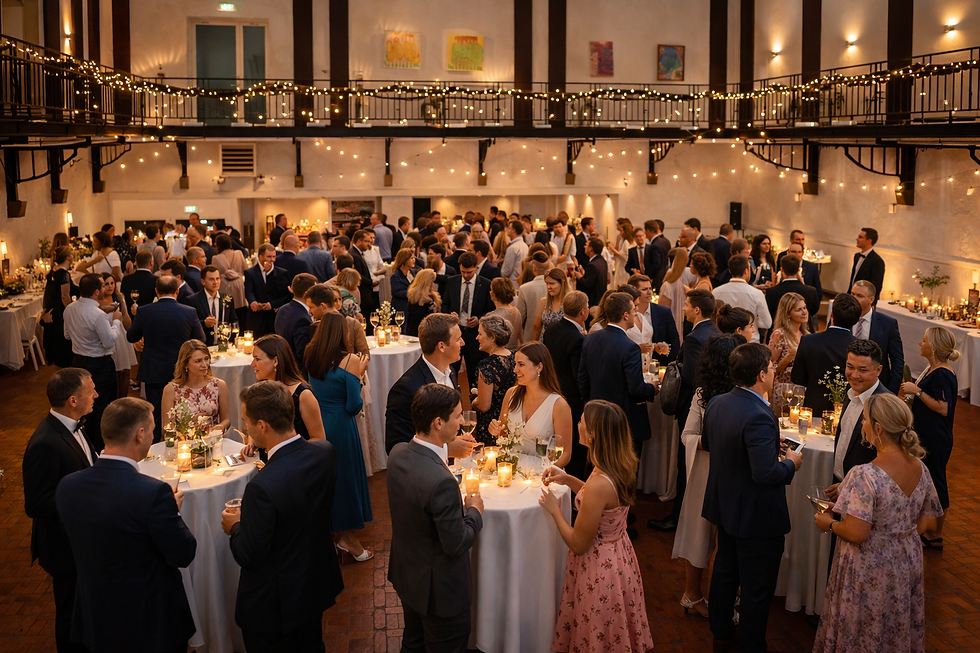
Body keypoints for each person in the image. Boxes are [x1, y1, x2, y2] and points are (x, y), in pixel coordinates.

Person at [56, 397, 197, 653]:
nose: (154, 435)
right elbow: (183, 553)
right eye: (153, 430)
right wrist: (172, 514)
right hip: (148, 622)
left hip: (95, 616)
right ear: (140, 435)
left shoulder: (67, 487)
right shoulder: (153, 493)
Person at [813, 393, 942, 653]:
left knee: (863, 630)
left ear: (878, 429)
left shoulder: (864, 474)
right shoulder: (919, 466)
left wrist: (827, 523)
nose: (863, 424)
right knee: (894, 628)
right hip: (906, 563)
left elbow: (857, 533)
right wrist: (899, 534)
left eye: (865, 420)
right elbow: (931, 521)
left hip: (868, 568)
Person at [221, 381, 343, 653]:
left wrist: (236, 526)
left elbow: (249, 554)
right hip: (313, 585)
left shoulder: (262, 486)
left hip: (275, 605)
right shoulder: (324, 453)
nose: (247, 429)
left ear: (262, 425)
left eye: (247, 422)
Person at [701, 343, 802, 653]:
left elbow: (711, 443)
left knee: (725, 574)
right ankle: (752, 645)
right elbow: (766, 475)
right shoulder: (759, 414)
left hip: (727, 506)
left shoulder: (718, 402)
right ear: (761, 374)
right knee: (757, 590)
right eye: (771, 369)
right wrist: (790, 463)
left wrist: (770, 444)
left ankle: (722, 633)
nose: (773, 373)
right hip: (757, 518)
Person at [539, 400, 654, 653]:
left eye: (582, 421)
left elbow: (578, 544)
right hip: (619, 558)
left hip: (599, 569)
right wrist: (568, 479)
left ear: (592, 434)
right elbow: (603, 505)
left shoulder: (599, 484)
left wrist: (554, 509)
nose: (578, 424)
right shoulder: (616, 465)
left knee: (597, 636)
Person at [387, 384, 484, 653]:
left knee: (414, 642)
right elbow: (455, 544)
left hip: (409, 578)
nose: (462, 421)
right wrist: (475, 511)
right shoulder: (441, 481)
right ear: (438, 422)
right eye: (456, 415)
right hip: (440, 594)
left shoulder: (397, 454)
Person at [23, 368, 98, 653]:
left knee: (83, 608)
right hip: (63, 545)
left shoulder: (75, 424)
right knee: (69, 613)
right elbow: (37, 504)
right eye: (90, 391)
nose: (96, 394)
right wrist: (85, 492)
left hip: (80, 538)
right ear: (72, 400)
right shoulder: (45, 443)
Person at [670, 334, 745, 620]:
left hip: (734, 471)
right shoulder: (702, 394)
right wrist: (715, 442)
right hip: (705, 470)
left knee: (727, 538)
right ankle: (692, 593)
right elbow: (688, 435)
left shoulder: (746, 391)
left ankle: (723, 594)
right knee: (701, 534)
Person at [650, 288, 720, 533]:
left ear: (697, 309)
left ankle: (678, 516)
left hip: (692, 405)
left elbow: (690, 376)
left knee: (684, 461)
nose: (683, 308)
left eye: (687, 305)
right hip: (710, 404)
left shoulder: (694, 338)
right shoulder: (716, 332)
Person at [305, 312, 374, 561]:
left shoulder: (311, 355)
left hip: (318, 423)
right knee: (346, 480)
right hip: (342, 427)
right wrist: (360, 376)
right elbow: (353, 406)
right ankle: (348, 540)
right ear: (343, 333)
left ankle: (333, 534)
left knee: (327, 480)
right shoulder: (351, 360)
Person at [385, 314, 477, 459]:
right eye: (458, 339)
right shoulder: (406, 389)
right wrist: (446, 449)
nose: (463, 343)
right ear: (441, 346)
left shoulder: (450, 371)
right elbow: (396, 447)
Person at [127, 275, 206, 442]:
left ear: (156, 291)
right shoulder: (188, 312)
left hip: (153, 370)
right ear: (177, 291)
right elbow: (201, 339)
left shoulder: (144, 311)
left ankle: (157, 449)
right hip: (181, 371)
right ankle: (184, 445)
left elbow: (131, 336)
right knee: (183, 412)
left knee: (155, 414)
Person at [579, 292, 658, 459]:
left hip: (596, 417)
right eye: (633, 311)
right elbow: (636, 388)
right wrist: (652, 388)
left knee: (599, 465)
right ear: (625, 315)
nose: (636, 314)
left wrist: (590, 405)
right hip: (623, 421)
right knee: (625, 473)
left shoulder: (590, 339)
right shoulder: (630, 347)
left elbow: (583, 380)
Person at [900, 325, 959, 548]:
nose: (920, 344)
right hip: (926, 434)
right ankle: (925, 527)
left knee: (937, 482)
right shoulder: (933, 368)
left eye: (924, 341)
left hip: (936, 438)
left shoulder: (942, 373)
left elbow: (943, 408)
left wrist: (918, 392)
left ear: (933, 347)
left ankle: (935, 535)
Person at [63, 273, 124, 451]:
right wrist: (116, 322)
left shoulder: (70, 309)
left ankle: (84, 446)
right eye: (103, 286)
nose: (106, 289)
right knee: (102, 408)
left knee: (83, 407)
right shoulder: (98, 315)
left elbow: (67, 335)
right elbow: (110, 341)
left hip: (78, 363)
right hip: (100, 365)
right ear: (97, 291)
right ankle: (99, 449)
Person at [489, 342, 573, 468]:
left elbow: (565, 453)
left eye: (521, 364)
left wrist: (546, 474)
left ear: (539, 367)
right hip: (512, 471)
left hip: (543, 474)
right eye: (515, 364)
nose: (515, 370)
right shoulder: (511, 394)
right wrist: (496, 430)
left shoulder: (558, 405)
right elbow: (503, 436)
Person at [827, 339, 891, 501]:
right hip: (840, 485)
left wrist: (849, 485)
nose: (854, 375)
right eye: (850, 367)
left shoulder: (885, 406)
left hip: (866, 493)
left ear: (878, 370)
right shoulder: (851, 393)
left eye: (862, 370)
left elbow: (889, 459)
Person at [791, 293, 861, 414]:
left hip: (813, 408)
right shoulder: (858, 347)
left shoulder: (809, 341)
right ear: (856, 320)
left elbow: (797, 378)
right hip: (845, 409)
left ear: (832, 315)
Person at [248, 334, 326, 443]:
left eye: (257, 359)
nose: (252, 364)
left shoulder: (303, 395)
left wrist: (287, 451)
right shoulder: (261, 389)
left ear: (275, 361)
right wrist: (252, 441)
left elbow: (319, 439)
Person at [161, 339, 231, 434]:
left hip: (211, 440)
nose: (204, 365)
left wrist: (220, 426)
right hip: (183, 444)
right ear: (185, 364)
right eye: (198, 361)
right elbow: (166, 429)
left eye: (206, 359)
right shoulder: (171, 390)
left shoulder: (219, 385)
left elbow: (227, 419)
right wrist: (189, 424)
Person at [443, 252, 492, 379]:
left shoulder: (486, 284)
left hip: (475, 335)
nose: (466, 275)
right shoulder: (452, 281)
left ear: (476, 268)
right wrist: (450, 315)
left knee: (474, 372)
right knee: (451, 370)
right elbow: (445, 304)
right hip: (455, 334)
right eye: (463, 271)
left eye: (469, 272)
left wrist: (479, 318)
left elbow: (491, 310)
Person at [851, 280, 904, 393]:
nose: (854, 299)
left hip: (877, 386)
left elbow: (897, 360)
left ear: (871, 299)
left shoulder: (887, 324)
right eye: (852, 294)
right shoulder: (841, 318)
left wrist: (891, 391)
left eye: (859, 296)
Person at [472, 315, 516, 445]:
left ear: (492, 337)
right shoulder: (515, 357)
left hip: (492, 426)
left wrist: (474, 400)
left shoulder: (487, 366)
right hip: (513, 421)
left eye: (480, 334)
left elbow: (484, 405)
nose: (477, 338)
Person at [712, 254, 771, 343]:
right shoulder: (756, 293)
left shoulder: (716, 292)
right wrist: (752, 322)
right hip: (750, 341)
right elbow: (767, 323)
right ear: (746, 271)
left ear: (730, 271)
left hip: (724, 341)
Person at [768, 292, 809, 416]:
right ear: (788, 314)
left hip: (801, 389)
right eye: (798, 310)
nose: (804, 312)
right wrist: (790, 357)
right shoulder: (779, 334)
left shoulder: (807, 334)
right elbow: (772, 367)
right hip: (783, 390)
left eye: (805, 308)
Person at [99, 273, 138, 398]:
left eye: (112, 283)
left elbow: (127, 323)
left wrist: (123, 305)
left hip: (120, 336)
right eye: (106, 284)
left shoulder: (118, 297)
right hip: (106, 336)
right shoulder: (98, 303)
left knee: (123, 372)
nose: (110, 286)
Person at [305, 284, 371, 357]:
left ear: (323, 306)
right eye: (335, 300)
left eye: (311, 307)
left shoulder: (352, 323)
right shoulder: (314, 326)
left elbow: (364, 355)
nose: (309, 311)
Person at [244, 243, 291, 337]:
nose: (272, 260)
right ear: (260, 257)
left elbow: (288, 295)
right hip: (256, 316)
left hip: (275, 316)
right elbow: (249, 291)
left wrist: (272, 304)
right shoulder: (250, 273)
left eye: (274, 256)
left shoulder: (282, 273)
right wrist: (253, 302)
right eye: (269, 256)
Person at [274, 272, 317, 375]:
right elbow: (303, 355)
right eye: (315, 291)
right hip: (297, 374)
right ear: (306, 294)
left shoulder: (282, 309)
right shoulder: (302, 318)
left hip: (283, 368)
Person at [42, 246, 77, 368]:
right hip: (60, 312)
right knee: (63, 344)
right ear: (68, 257)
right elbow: (65, 296)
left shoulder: (54, 271)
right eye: (71, 255)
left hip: (52, 310)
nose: (73, 257)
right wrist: (72, 313)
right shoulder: (63, 274)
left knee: (57, 344)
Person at [185, 266, 237, 347]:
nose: (215, 282)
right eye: (211, 279)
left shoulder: (227, 299)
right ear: (203, 281)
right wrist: (204, 323)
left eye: (217, 278)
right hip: (203, 346)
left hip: (223, 346)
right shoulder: (192, 300)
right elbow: (188, 326)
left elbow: (234, 320)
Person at [766, 255, 821, 331]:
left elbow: (769, 312)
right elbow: (814, 310)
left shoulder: (772, 292)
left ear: (782, 270)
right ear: (799, 270)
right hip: (804, 331)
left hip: (779, 330)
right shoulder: (811, 291)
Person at [213, 233, 248, 326]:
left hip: (224, 286)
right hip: (238, 284)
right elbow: (246, 269)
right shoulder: (239, 253)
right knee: (240, 311)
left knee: (227, 312)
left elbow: (215, 274)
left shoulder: (216, 258)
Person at [515, 252, 551, 341]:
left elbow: (519, 318)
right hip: (552, 338)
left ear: (534, 268)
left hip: (530, 338)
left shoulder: (524, 288)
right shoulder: (557, 287)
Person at [657, 247, 691, 336]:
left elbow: (662, 309)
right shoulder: (686, 275)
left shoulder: (669, 283)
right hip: (680, 321)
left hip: (674, 323)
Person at [351, 229, 380, 323]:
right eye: (367, 241)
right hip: (362, 294)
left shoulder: (358, 253)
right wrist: (371, 282)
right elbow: (358, 275)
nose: (369, 244)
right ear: (359, 241)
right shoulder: (354, 255)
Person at [571, 237, 609, 308]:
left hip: (593, 300)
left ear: (591, 248)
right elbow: (594, 278)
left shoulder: (592, 264)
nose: (584, 246)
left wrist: (579, 277)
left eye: (586, 245)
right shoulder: (602, 261)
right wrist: (584, 274)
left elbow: (588, 284)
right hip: (601, 298)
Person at [849, 227, 885, 300]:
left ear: (869, 241)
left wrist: (872, 302)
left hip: (865, 299)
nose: (857, 239)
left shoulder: (877, 261)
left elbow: (876, 286)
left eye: (860, 237)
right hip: (853, 297)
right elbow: (854, 278)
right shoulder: (857, 256)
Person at [487, 277, 522, 349]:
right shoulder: (516, 311)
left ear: (494, 294)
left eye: (491, 289)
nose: (490, 292)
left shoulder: (491, 317)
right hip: (513, 352)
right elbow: (520, 335)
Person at [405, 268, 441, 337]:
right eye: (432, 281)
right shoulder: (415, 298)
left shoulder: (433, 295)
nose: (433, 284)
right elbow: (417, 317)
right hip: (419, 333)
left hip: (433, 332)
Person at [644, 219, 671, 291]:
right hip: (663, 275)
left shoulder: (654, 245)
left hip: (656, 278)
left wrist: (649, 277)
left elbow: (657, 264)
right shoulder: (664, 241)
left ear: (648, 230)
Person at [390, 248, 420, 312]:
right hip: (401, 308)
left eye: (414, 258)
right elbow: (396, 292)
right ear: (404, 260)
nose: (414, 260)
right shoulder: (396, 276)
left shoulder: (413, 273)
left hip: (412, 307)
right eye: (411, 258)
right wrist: (413, 293)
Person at [608, 219, 635, 288]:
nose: (621, 232)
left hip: (624, 264)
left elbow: (624, 255)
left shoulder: (627, 242)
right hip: (621, 263)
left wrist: (612, 249)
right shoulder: (624, 240)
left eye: (622, 230)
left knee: (623, 281)